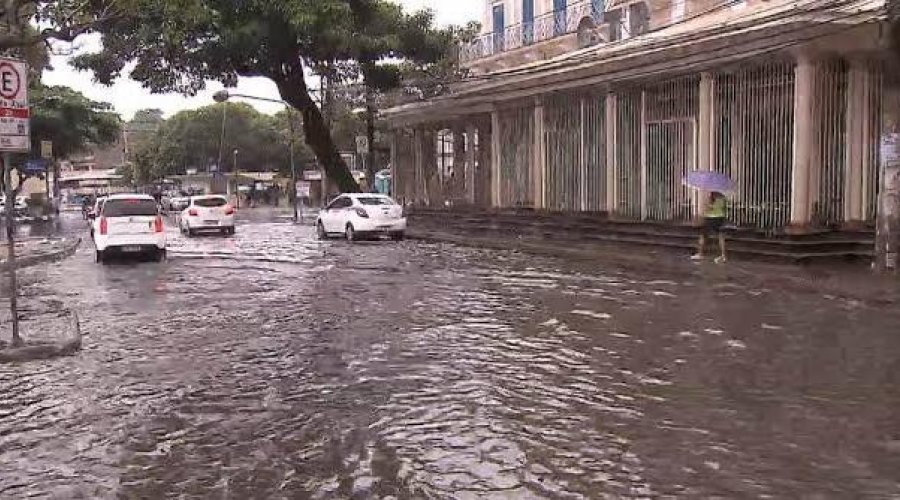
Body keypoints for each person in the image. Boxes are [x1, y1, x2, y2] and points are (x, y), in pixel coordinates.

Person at [692, 191, 728, 264]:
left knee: (703, 235)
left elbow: (707, 209)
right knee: (721, 237)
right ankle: (723, 256)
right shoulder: (723, 198)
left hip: (710, 218)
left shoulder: (711, 197)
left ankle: (700, 254)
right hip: (720, 218)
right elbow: (724, 209)